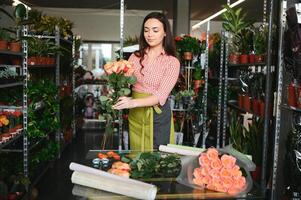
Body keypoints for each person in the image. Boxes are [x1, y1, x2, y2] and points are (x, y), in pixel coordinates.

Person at [113, 12, 180, 150]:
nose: (150, 34)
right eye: (146, 30)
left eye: (155, 30)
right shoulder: (135, 57)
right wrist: (116, 80)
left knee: (157, 158)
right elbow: (125, 83)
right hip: (135, 114)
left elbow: (161, 96)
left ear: (165, 32)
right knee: (136, 155)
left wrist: (133, 102)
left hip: (157, 116)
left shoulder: (172, 62)